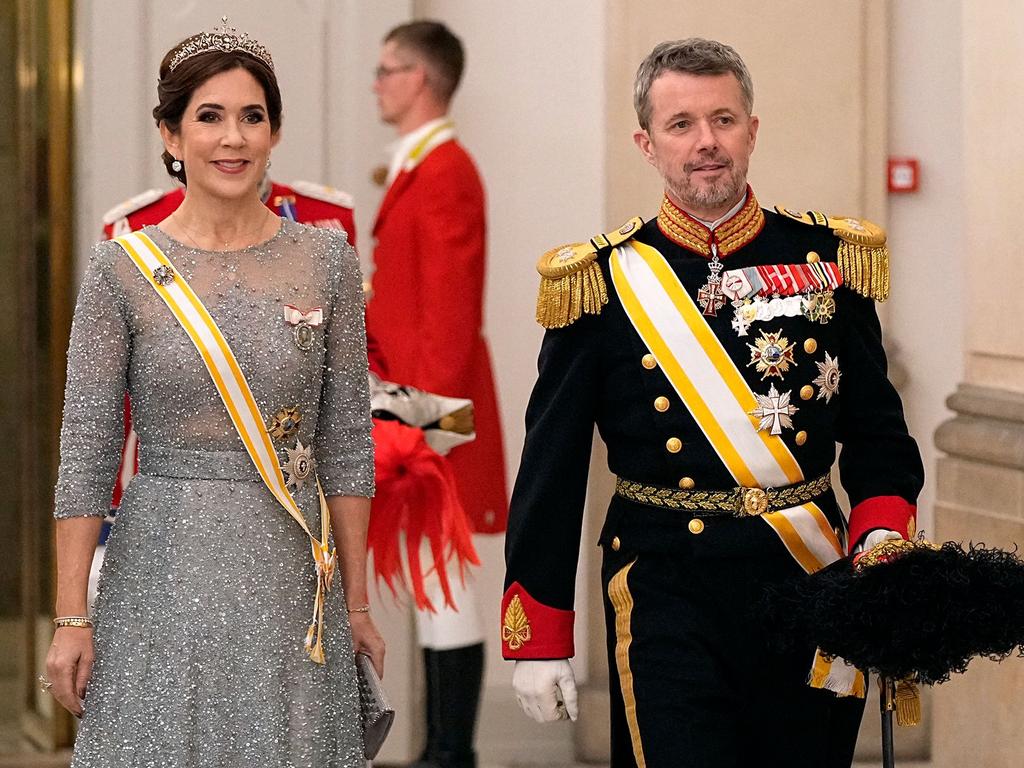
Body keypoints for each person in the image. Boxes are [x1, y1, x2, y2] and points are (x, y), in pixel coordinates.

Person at [501, 38, 924, 768]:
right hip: (666, 590)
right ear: (647, 143)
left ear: (752, 130)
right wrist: (538, 634)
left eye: (724, 120)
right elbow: (552, 468)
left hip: (811, 584)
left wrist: (883, 547)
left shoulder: (828, 259)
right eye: (682, 125)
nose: (706, 143)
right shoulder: (599, 283)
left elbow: (880, 438)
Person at [43, 21, 383, 767]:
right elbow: (87, 453)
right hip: (159, 569)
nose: (233, 138)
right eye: (209, 116)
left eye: (252, 117)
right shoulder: (120, 268)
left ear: (275, 132)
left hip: (291, 573)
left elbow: (349, 445)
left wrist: (356, 604)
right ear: (170, 134)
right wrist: (73, 615)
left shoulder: (325, 257)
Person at [365, 21, 507, 768]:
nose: (377, 83)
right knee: (434, 589)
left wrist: (422, 430)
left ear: (418, 77)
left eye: (387, 70)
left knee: (444, 586)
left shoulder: (445, 168)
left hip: (430, 414)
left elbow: (451, 319)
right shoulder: (425, 165)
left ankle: (452, 753)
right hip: (414, 405)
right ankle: (443, 750)